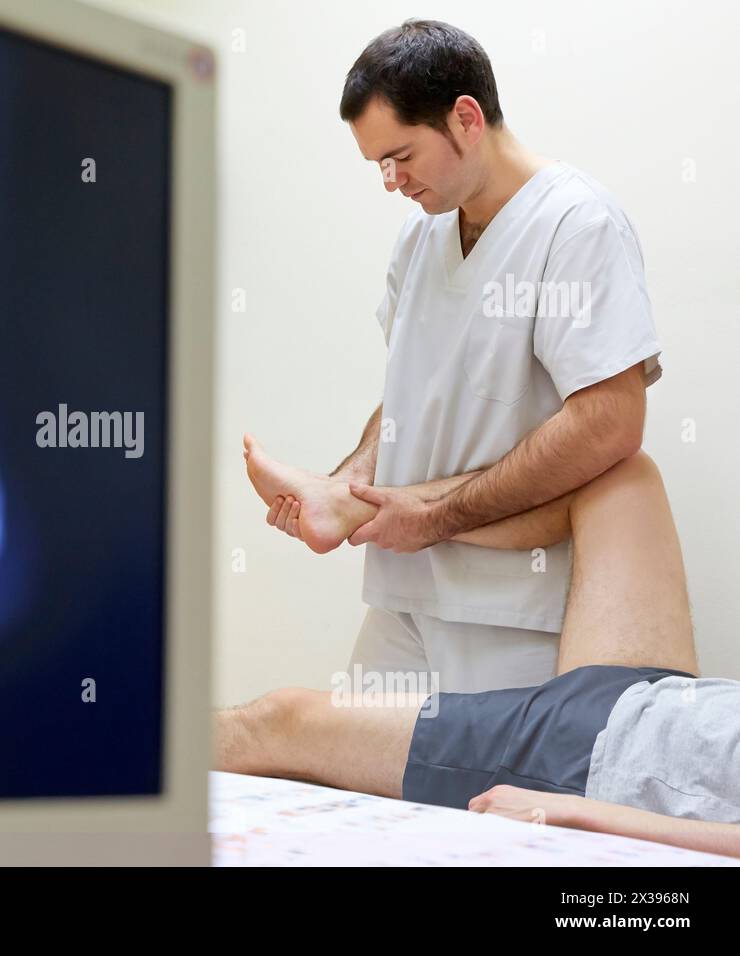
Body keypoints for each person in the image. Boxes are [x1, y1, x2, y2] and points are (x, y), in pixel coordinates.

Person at [254, 19, 665, 693]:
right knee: (332, 775)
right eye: (377, 164)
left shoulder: (577, 225)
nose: (391, 181)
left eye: (402, 156)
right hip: (404, 595)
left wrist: (436, 516)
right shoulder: (418, 244)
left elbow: (610, 422)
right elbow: (412, 399)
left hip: (511, 606)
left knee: (487, 799)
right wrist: (350, 487)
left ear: (466, 118)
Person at [216, 449, 740, 858]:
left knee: (282, 721)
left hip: (599, 765)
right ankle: (370, 509)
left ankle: (136, 758)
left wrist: (577, 815)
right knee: (622, 477)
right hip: (672, 702)